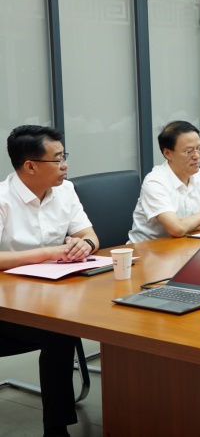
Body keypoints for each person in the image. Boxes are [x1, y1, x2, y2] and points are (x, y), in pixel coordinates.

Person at [0, 125, 100, 437]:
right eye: (57, 159)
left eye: (63, 156)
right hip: (9, 305)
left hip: (52, 292)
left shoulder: (65, 191)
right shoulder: (2, 199)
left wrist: (85, 245)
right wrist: (48, 253)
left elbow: (89, 234)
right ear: (30, 166)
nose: (64, 165)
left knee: (73, 321)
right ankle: (56, 430)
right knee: (60, 330)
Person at [129, 121, 200, 242]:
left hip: (186, 244)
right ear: (168, 153)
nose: (197, 156)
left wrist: (185, 228)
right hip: (149, 249)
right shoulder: (155, 182)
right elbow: (176, 229)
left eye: (199, 149)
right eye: (189, 151)